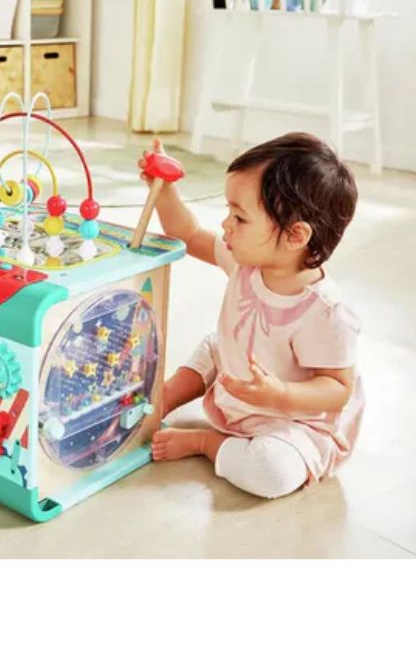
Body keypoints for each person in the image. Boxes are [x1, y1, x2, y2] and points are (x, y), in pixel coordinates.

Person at [142, 133, 362, 499]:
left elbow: (338, 389)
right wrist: (163, 190)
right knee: (214, 345)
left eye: (240, 217)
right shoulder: (247, 262)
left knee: (271, 474)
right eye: (229, 212)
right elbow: (187, 232)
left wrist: (282, 394)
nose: (226, 224)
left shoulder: (326, 312)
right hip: (240, 372)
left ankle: (207, 443)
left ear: (295, 236)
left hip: (293, 421)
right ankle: (163, 399)